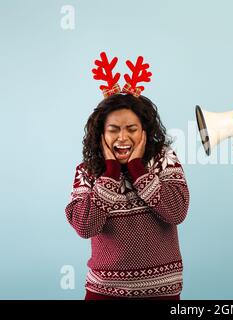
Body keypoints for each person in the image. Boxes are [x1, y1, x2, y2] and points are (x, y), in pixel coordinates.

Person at [65, 53, 189, 300]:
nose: (122, 138)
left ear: (145, 130)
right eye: (113, 130)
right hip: (104, 292)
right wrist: (110, 173)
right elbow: (85, 226)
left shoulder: (164, 159)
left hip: (161, 292)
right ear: (101, 133)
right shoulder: (87, 171)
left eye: (131, 129)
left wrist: (138, 169)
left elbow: (176, 212)